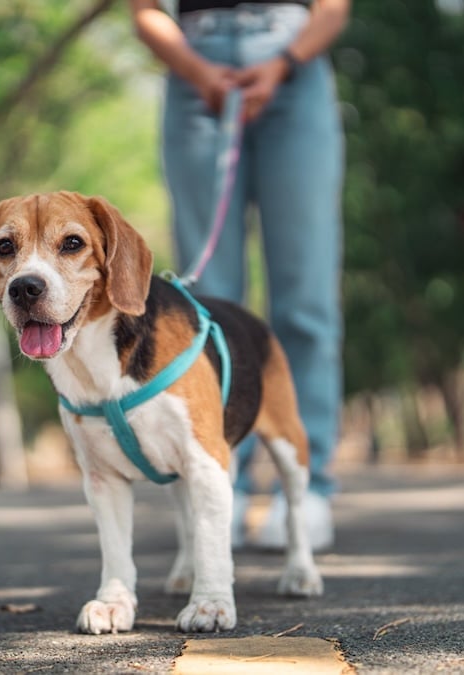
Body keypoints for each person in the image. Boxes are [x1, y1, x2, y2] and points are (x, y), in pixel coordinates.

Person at [129, 0, 349, 550]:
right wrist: (198, 71)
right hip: (195, 71)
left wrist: (283, 63)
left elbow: (333, 9)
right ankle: (219, 482)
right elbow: (145, 11)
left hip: (296, 68)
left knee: (305, 299)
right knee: (205, 308)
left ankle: (307, 490)